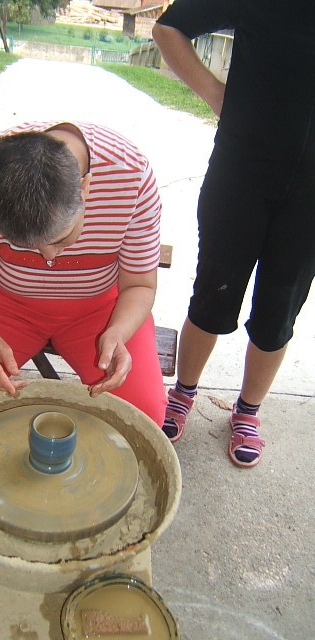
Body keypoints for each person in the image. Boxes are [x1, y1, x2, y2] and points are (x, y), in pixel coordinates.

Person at [0, 121, 167, 427]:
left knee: (144, 415)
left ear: (85, 188)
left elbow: (140, 285)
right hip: (4, 305)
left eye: (61, 239)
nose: (48, 258)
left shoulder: (131, 175)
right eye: (27, 246)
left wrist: (118, 333)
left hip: (101, 311)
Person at [152, 0, 315, 467]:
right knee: (213, 293)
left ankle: (247, 412)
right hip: (239, 175)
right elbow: (169, 29)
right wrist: (216, 94)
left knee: (279, 311)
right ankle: (183, 393)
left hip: (309, 197)